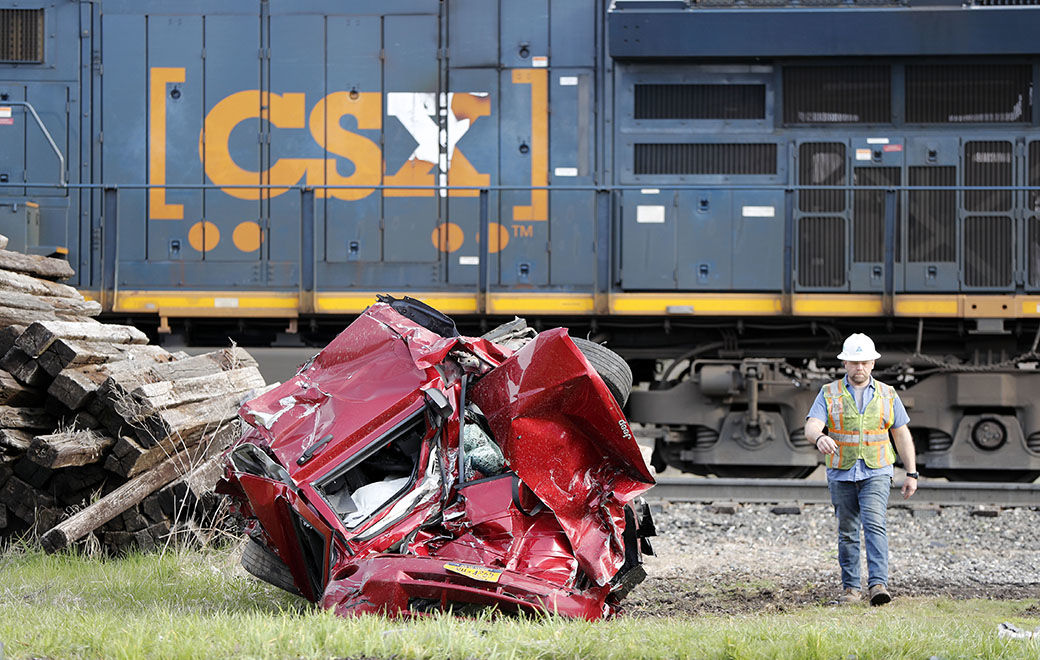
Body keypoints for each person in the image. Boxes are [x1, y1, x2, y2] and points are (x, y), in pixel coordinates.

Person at [804, 333, 917, 606]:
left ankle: (878, 585)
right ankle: (851, 590)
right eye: (854, 362)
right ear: (844, 364)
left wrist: (911, 473)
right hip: (841, 471)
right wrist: (820, 437)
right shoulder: (828, 393)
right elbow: (811, 425)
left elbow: (901, 435)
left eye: (864, 362)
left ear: (873, 364)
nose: (859, 368)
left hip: (876, 470)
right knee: (847, 531)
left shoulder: (888, 395)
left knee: (875, 525)